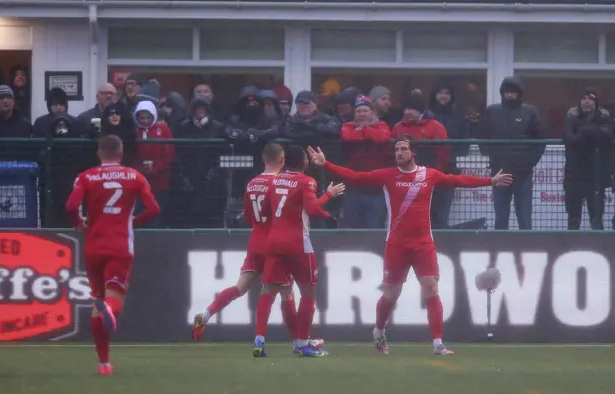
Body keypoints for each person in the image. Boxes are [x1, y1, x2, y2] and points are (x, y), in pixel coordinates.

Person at [306, 135, 512, 356]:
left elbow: (456, 180)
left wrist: (490, 181)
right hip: (397, 245)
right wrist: (325, 164)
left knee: (431, 288)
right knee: (390, 295)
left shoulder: (429, 175)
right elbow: (357, 177)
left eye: (403, 149)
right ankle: (379, 332)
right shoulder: (387, 175)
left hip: (424, 243)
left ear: (413, 152)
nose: (399, 153)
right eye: (396, 149)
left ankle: (438, 344)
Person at [191, 143, 324, 353]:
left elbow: (247, 215)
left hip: (256, 240)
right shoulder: (280, 182)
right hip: (277, 242)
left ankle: (206, 315)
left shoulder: (252, 183)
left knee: (240, 287)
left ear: (264, 159)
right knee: (286, 294)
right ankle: (299, 342)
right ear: (282, 161)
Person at [64, 135, 160, 376]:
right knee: (114, 296)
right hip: (120, 245)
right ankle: (109, 308)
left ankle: (104, 364)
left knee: (97, 300)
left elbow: (70, 206)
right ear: (121, 153)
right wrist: (132, 221)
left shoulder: (86, 177)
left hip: (93, 247)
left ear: (99, 153)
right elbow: (154, 209)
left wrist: (78, 222)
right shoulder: (135, 176)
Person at [255, 146, 345, 358]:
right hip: (298, 244)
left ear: (285, 162)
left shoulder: (275, 180)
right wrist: (329, 196)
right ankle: (302, 343)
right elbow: (312, 208)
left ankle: (258, 340)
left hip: (274, 242)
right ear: (305, 163)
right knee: (308, 292)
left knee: (268, 291)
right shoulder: (307, 182)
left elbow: (266, 208)